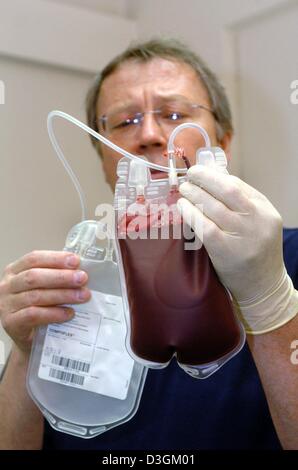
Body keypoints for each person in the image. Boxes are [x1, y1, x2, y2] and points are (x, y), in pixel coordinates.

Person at [0, 38, 297, 450]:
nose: (150, 135)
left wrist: (272, 303)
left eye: (175, 114)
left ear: (222, 142)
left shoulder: (290, 264)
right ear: (103, 155)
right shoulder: (71, 284)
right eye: (124, 122)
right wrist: (26, 352)